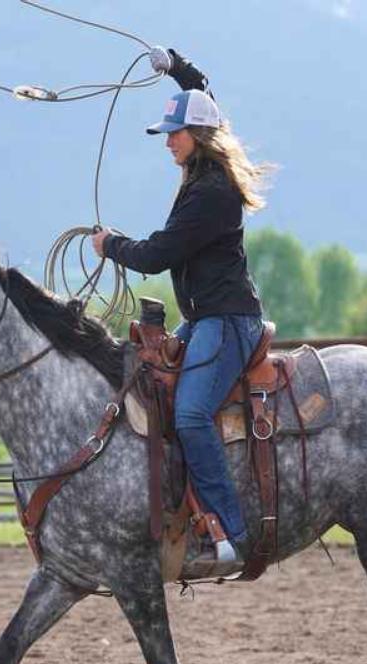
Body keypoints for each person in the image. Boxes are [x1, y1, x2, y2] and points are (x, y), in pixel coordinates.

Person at [91, 47, 270, 565]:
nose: (167, 142)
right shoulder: (206, 176)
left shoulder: (210, 194)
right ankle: (185, 514)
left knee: (191, 415)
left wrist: (112, 247)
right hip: (206, 319)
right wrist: (175, 66)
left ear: (198, 137)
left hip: (225, 321)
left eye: (174, 133)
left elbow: (159, 254)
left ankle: (232, 534)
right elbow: (204, 98)